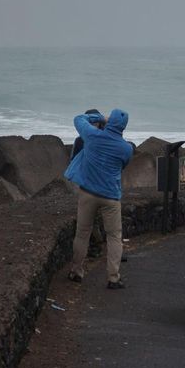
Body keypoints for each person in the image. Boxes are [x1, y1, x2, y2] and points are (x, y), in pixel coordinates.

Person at [65, 108, 133, 289]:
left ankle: (76, 272)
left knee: (82, 234)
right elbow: (123, 165)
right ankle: (113, 278)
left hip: (88, 193)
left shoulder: (92, 135)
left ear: (109, 121)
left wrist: (100, 117)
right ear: (124, 127)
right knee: (114, 236)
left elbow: (78, 118)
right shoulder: (126, 148)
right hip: (111, 197)